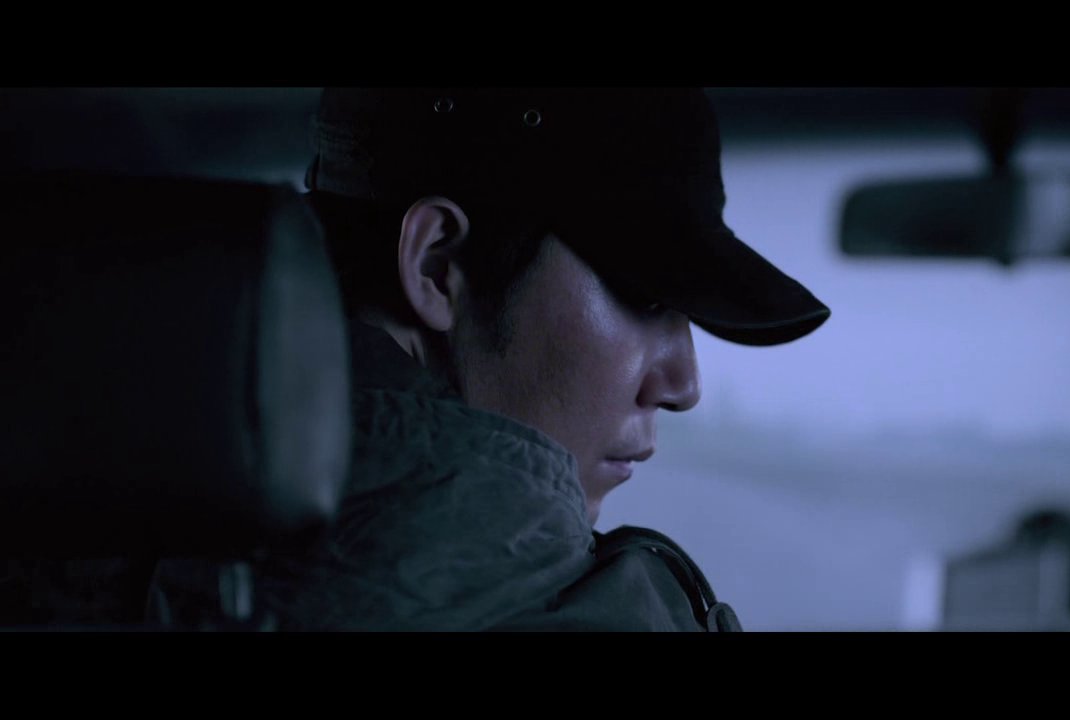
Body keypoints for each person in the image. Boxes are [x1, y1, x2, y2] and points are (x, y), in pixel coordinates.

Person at [163, 88, 831, 631]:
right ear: (436, 266)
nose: (683, 385)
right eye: (645, 296)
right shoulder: (596, 615)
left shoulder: (131, 537)